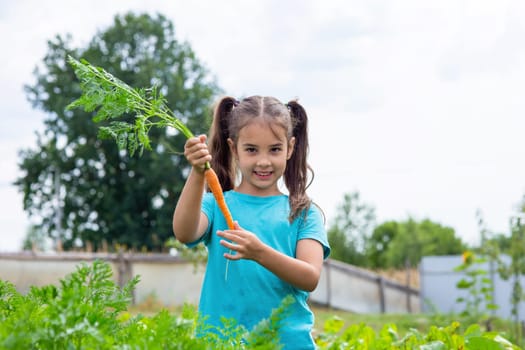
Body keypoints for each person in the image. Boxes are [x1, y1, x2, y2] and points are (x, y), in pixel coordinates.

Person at [172, 95, 330, 349]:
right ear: (234, 149)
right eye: (251, 149)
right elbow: (184, 232)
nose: (263, 161)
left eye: (275, 149)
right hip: (222, 343)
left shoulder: (302, 211)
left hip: (287, 343)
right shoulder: (215, 204)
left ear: (290, 148)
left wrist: (259, 253)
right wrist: (197, 172)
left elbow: (310, 277)